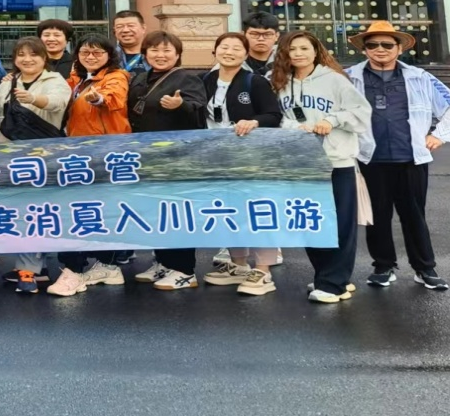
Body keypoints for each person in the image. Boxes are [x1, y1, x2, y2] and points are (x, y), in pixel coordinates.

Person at [346, 20, 450, 292]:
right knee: (377, 217)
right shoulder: (349, 77)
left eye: (387, 44)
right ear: (364, 49)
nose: (380, 49)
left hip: (410, 158)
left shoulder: (420, 77)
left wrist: (439, 135)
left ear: (399, 48)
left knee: (414, 216)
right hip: (369, 158)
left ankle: (425, 268)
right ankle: (383, 266)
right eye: (372, 45)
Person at [270, 30, 373, 304]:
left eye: (304, 48)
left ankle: (333, 283)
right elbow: (276, 117)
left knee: (340, 223)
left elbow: (361, 113)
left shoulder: (335, 80)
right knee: (310, 220)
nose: (298, 54)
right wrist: (294, 126)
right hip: (300, 164)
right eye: (292, 49)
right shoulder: (280, 82)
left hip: (335, 161)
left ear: (316, 51)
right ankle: (326, 276)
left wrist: (332, 120)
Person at [45, 35, 132, 296]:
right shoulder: (77, 79)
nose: (90, 57)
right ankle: (96, 266)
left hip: (105, 153)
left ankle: (90, 267)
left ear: (109, 55)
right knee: (82, 209)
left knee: (101, 209)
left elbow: (114, 98)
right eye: (85, 52)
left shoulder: (115, 76)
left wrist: (98, 99)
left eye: (97, 53)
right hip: (78, 153)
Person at [201, 32, 283, 296]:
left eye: (237, 48)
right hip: (217, 157)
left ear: (246, 54)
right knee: (230, 210)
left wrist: (254, 121)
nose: (229, 52)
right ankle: (238, 265)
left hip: (251, 158)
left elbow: (274, 115)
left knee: (257, 211)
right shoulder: (204, 80)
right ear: (215, 51)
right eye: (224, 47)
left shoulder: (255, 82)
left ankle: (264, 270)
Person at [128, 31, 208, 292]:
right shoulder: (140, 78)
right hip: (146, 156)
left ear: (177, 54)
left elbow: (198, 111)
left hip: (177, 158)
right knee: (155, 211)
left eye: (166, 51)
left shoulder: (187, 78)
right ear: (145, 53)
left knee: (176, 212)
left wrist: (179, 105)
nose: (160, 55)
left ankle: (184, 270)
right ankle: (163, 262)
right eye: (154, 50)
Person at [0, 38, 72, 293]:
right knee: (24, 210)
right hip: (10, 155)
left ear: (44, 58)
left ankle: (29, 268)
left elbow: (58, 103)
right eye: (21, 55)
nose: (27, 59)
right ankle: (35, 266)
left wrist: (34, 98)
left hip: (43, 156)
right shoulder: (7, 83)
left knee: (35, 210)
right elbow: (0, 116)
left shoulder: (55, 80)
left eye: (33, 55)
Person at [242, 11, 281, 77]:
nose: (261, 39)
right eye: (254, 34)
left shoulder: (286, 61)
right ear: (243, 35)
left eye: (267, 34)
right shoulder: (234, 62)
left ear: (277, 36)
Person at [112, 10, 148, 74]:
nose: (125, 30)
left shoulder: (156, 55)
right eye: (119, 27)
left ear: (143, 28)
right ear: (114, 31)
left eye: (131, 26)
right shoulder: (108, 57)